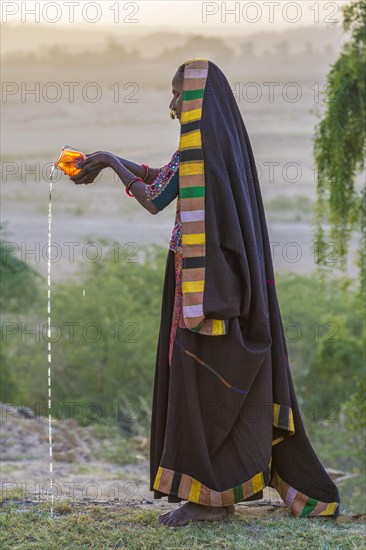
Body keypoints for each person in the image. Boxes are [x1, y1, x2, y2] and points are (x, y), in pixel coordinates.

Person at [71, 58, 341, 527]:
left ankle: (209, 501)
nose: (172, 103)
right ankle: (211, 496)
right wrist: (109, 158)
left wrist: (112, 163)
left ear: (199, 100)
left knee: (202, 390)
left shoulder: (205, 156)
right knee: (197, 388)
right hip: (193, 283)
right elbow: (162, 178)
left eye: (179, 93)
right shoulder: (205, 150)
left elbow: (155, 200)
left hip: (210, 296)